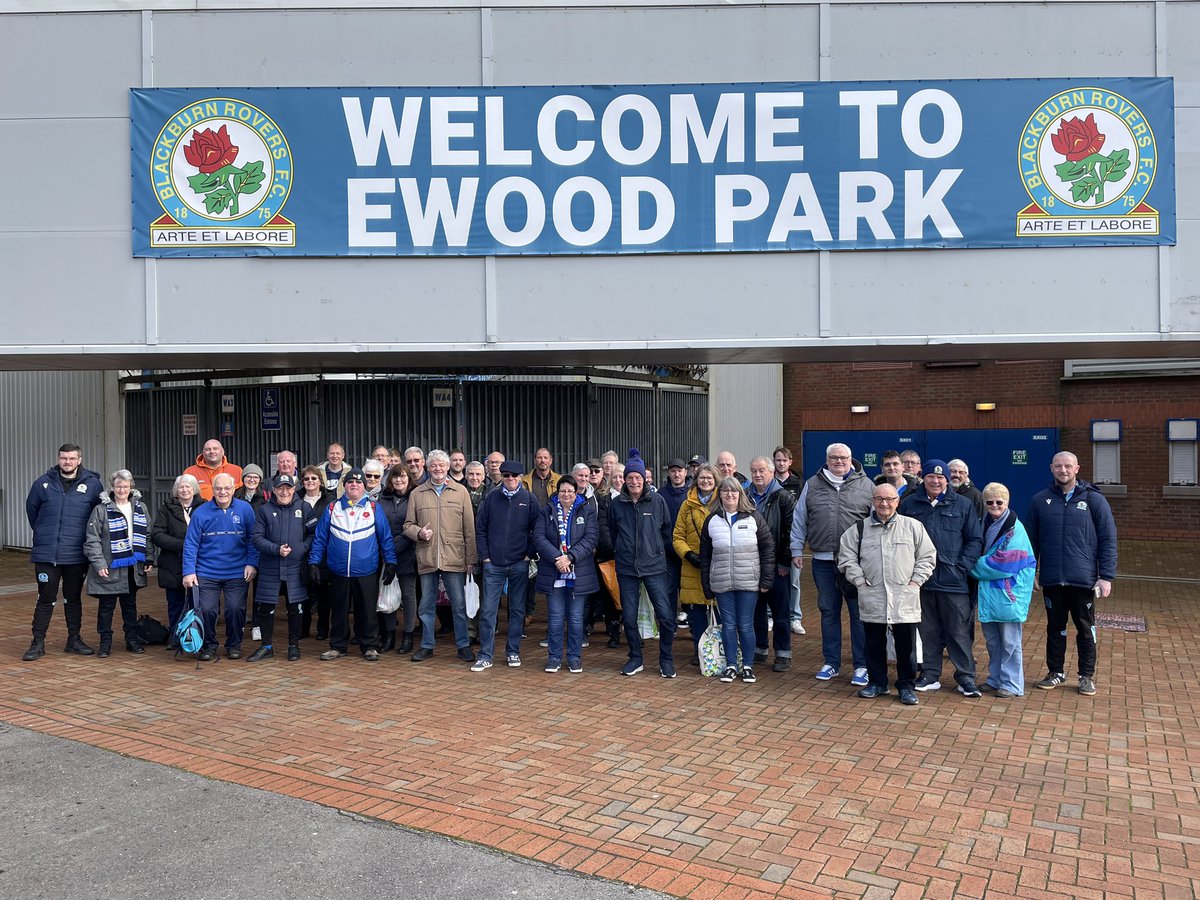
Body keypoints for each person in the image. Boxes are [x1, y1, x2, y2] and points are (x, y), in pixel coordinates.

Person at [1025, 451, 1117, 696]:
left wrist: (1105, 576)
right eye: (1058, 466)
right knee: (1055, 628)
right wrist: (1031, 571)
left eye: (1067, 466)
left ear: (1077, 468)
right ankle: (1055, 672)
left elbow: (1108, 539)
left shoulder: (1095, 500)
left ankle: (1086, 676)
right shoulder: (1039, 500)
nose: (1063, 470)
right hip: (1053, 579)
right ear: (1051, 468)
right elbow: (1030, 541)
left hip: (1083, 579)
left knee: (1086, 629)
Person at [838, 483, 936, 706]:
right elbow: (846, 557)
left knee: (906, 647)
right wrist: (860, 581)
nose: (885, 504)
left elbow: (928, 556)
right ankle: (877, 683)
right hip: (873, 596)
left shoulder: (913, 527)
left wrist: (916, 581)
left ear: (897, 502)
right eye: (880, 499)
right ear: (873, 501)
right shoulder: (859, 529)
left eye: (890, 499)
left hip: (905, 597)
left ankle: (906, 686)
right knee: (873, 644)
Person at [789, 442, 874, 686]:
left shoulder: (867, 486)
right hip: (823, 562)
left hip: (856, 563)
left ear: (851, 459)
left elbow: (875, 523)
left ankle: (861, 665)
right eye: (834, 458)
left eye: (843, 458)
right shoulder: (812, 485)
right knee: (828, 612)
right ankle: (831, 663)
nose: (839, 462)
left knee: (859, 615)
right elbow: (800, 518)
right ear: (827, 459)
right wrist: (796, 548)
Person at [899, 460, 984, 697]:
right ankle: (930, 674)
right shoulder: (909, 504)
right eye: (930, 477)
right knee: (927, 630)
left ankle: (966, 677)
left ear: (947, 480)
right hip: (921, 581)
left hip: (953, 580)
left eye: (940, 477)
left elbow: (975, 540)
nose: (935, 481)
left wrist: (962, 567)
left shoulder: (963, 505)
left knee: (958, 631)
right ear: (922, 478)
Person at [22, 443, 104, 660]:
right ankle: (37, 643)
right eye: (63, 458)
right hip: (47, 554)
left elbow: (98, 516)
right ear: (58, 459)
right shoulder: (43, 483)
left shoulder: (94, 485)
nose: (67, 462)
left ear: (80, 460)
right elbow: (33, 512)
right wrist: (43, 533)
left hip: (76, 554)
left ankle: (74, 640)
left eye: (72, 458)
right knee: (45, 598)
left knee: (73, 598)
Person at [308, 468, 397, 662]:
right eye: (350, 482)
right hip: (339, 570)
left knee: (366, 610)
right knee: (338, 610)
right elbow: (320, 538)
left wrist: (391, 561)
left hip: (366, 570)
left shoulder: (373, 508)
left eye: (358, 482)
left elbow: (386, 538)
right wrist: (314, 562)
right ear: (345, 486)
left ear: (363, 486)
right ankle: (338, 645)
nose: (354, 485)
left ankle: (370, 645)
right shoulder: (333, 508)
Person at [404, 450, 478, 662]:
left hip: (454, 557)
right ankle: (427, 645)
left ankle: (463, 645)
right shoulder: (417, 493)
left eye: (441, 465)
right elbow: (407, 525)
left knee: (459, 604)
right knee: (426, 605)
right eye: (433, 465)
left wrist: (471, 559)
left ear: (448, 468)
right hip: (427, 556)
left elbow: (469, 529)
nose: (437, 469)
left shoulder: (460, 491)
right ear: (428, 468)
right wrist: (418, 533)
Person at [608, 448, 677, 678]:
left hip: (654, 567)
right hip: (627, 568)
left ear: (644, 479)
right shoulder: (617, 504)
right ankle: (635, 657)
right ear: (624, 480)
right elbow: (612, 531)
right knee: (628, 617)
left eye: (637, 478)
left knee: (666, 616)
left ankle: (665, 658)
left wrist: (656, 551)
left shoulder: (657, 501)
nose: (634, 481)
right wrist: (622, 550)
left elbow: (667, 531)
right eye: (629, 478)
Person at [699, 477, 775, 684]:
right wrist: (707, 585)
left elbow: (768, 548)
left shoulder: (753, 518)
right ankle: (731, 665)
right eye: (725, 491)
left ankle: (748, 666)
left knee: (745, 625)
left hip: (748, 582)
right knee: (729, 625)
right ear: (720, 494)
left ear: (740, 494)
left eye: (734, 492)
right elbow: (705, 555)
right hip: (722, 582)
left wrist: (766, 579)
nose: (729, 495)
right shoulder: (712, 520)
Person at [182, 473, 259, 661]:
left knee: (234, 609)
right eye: (218, 488)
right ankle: (209, 646)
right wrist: (189, 571)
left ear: (234, 489)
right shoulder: (201, 512)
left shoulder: (245, 509)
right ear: (212, 490)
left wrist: (252, 563)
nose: (222, 492)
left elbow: (253, 539)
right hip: (206, 572)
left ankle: (234, 644)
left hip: (237, 571)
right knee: (207, 610)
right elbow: (191, 543)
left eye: (227, 488)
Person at [972, 482, 1037, 698]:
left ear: (1007, 502)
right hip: (992, 595)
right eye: (989, 502)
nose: (994, 505)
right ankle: (995, 678)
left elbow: (1004, 564)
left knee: (1010, 642)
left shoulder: (1015, 529)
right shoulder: (984, 523)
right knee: (993, 642)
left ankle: (1011, 684)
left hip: (1009, 595)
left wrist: (972, 566)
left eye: (999, 502)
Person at [473, 460, 538, 671]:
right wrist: (485, 557)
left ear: (520, 477)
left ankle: (513, 651)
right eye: (506, 475)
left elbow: (537, 530)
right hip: (493, 564)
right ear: (501, 476)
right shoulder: (492, 498)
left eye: (514, 475)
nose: (510, 479)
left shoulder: (529, 499)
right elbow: (480, 528)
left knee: (517, 610)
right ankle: (485, 655)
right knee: (488, 610)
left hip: (519, 563)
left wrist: (529, 555)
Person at [83, 470, 155, 658]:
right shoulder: (101, 510)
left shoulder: (140, 508)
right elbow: (92, 539)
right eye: (118, 486)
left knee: (130, 606)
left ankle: (132, 639)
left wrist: (148, 557)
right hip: (110, 566)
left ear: (131, 487)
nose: (122, 489)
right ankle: (105, 643)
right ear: (112, 488)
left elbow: (147, 534)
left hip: (132, 568)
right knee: (106, 608)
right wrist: (99, 564)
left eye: (125, 486)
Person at [535, 476, 599, 674]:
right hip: (554, 571)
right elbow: (538, 537)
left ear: (576, 492)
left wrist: (570, 557)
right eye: (563, 491)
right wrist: (558, 558)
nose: (566, 495)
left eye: (570, 491)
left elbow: (591, 538)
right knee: (555, 618)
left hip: (578, 571)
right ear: (558, 492)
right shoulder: (547, 511)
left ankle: (574, 657)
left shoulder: (586, 511)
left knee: (576, 618)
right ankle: (554, 658)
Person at [248, 474, 311, 662]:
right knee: (266, 607)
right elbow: (257, 537)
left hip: (295, 566)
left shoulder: (304, 507)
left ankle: (294, 646)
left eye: (288, 488)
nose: (285, 492)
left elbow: (314, 534)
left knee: (295, 608)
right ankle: (266, 646)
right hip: (271, 566)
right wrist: (275, 549)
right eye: (280, 488)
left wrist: (300, 549)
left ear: (294, 489)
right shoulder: (264, 510)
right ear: (273, 490)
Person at [747, 456, 797, 673]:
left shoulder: (783, 497)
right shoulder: (745, 496)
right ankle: (760, 648)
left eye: (762, 471)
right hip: (752, 564)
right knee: (756, 609)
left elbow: (791, 531)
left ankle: (783, 653)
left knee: (780, 612)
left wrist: (785, 562)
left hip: (778, 564)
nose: (758, 475)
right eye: (754, 471)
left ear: (771, 472)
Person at [673, 465, 719, 664]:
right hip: (693, 566)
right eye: (702, 478)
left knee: (719, 609)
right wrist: (688, 554)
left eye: (709, 478)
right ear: (696, 479)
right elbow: (677, 536)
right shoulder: (687, 504)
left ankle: (719, 649)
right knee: (697, 611)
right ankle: (699, 650)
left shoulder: (722, 502)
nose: (705, 481)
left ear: (716, 480)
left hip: (718, 565)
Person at [152, 473, 201, 648]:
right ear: (176, 490)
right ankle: (175, 635)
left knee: (198, 603)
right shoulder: (166, 508)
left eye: (188, 486)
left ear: (194, 489)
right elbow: (157, 535)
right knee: (175, 604)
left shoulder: (204, 507)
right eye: (181, 487)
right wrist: (184, 545)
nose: (185, 490)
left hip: (198, 564)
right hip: (172, 564)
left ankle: (197, 635)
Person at [378, 465, 419, 653]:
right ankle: (388, 636)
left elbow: (414, 526)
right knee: (388, 594)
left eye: (402, 477)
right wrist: (387, 551)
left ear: (408, 479)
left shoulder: (416, 496)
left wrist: (392, 548)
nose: (399, 481)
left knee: (408, 596)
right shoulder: (382, 498)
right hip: (386, 556)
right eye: (395, 477)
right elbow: (378, 524)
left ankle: (408, 636)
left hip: (407, 553)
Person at [773, 445, 805, 636]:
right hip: (771, 541)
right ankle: (770, 615)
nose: (781, 463)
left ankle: (795, 618)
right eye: (778, 460)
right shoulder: (769, 483)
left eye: (784, 460)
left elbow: (803, 513)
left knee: (794, 582)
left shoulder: (798, 483)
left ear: (790, 462)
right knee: (770, 581)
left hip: (792, 542)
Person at [298, 465, 333, 640]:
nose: (310, 482)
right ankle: (303, 628)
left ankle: (322, 629)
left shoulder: (330, 500)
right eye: (306, 479)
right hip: (302, 552)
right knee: (303, 593)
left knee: (323, 595)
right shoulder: (296, 500)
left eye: (313, 478)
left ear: (320, 480)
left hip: (325, 553)